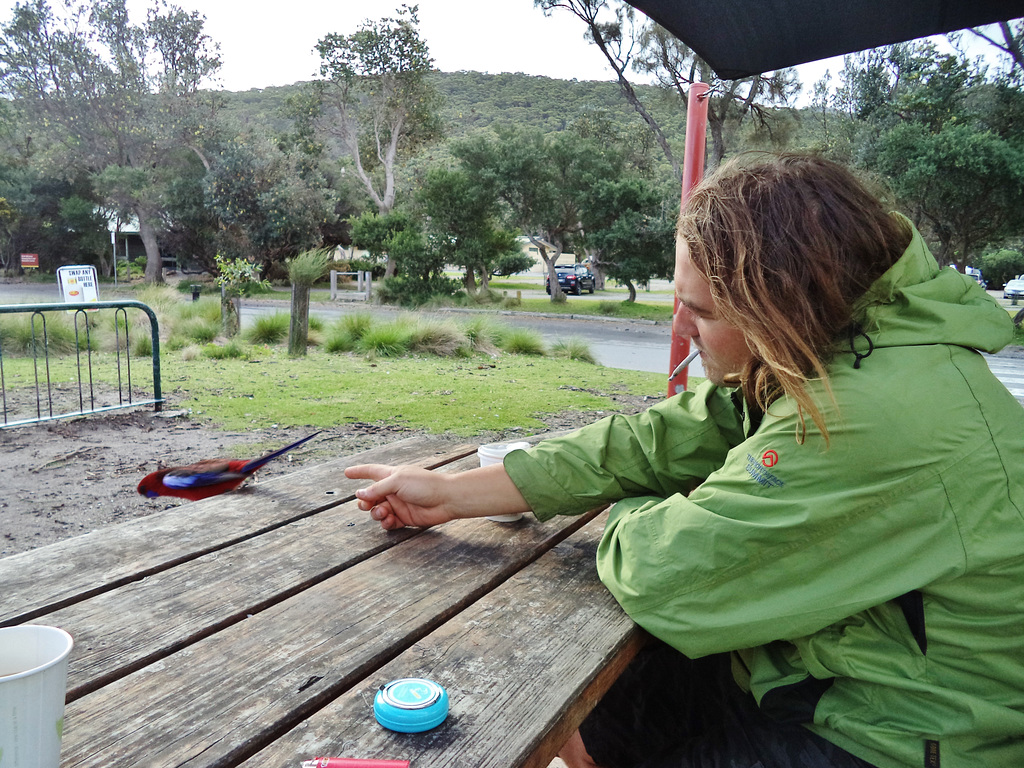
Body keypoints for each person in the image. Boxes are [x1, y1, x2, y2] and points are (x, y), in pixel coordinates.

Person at [345, 153, 1024, 768]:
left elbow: (666, 577)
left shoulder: (868, 410)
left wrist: (626, 508)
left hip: (901, 732)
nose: (679, 330)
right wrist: (456, 492)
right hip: (814, 667)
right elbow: (657, 440)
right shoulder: (838, 348)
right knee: (600, 711)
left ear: (775, 304)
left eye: (697, 310)